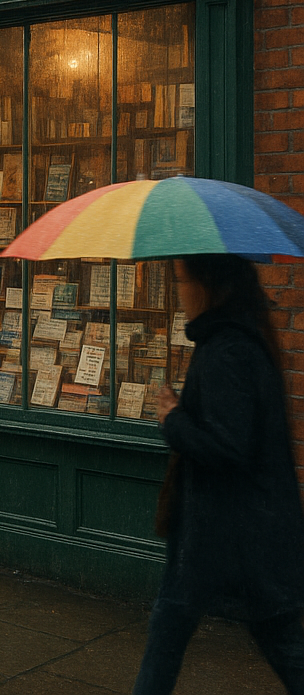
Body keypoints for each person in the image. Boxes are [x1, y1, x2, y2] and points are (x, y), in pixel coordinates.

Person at [133, 253, 304, 694]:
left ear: (206, 285)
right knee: (172, 629)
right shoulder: (237, 339)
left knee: (280, 642)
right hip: (235, 530)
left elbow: (228, 447)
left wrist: (173, 418)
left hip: (229, 532)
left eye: (181, 280)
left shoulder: (227, 350)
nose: (179, 292)